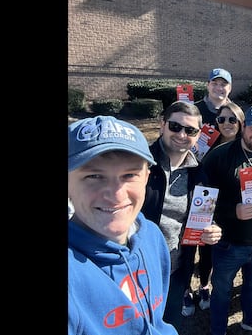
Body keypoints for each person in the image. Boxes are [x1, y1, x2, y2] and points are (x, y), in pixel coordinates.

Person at [68, 115, 182, 335]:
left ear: (147, 177)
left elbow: (156, 320)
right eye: (94, 176)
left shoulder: (152, 236)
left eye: (129, 175)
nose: (116, 194)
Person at [201, 105, 252, 335]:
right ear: (243, 127)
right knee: (222, 291)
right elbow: (201, 198)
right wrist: (232, 210)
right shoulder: (219, 156)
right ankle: (218, 329)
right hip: (228, 243)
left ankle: (250, 319)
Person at [140, 101, 222, 326]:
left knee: (167, 324)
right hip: (136, 271)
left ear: (197, 135)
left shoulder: (199, 174)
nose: (182, 134)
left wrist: (211, 228)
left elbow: (202, 215)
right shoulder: (138, 164)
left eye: (190, 130)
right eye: (175, 126)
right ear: (162, 125)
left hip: (176, 271)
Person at [189, 101, 245, 312]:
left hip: (226, 208)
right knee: (190, 247)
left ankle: (204, 285)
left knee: (209, 252)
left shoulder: (244, 147)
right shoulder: (204, 142)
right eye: (222, 119)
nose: (227, 123)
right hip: (200, 201)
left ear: (240, 122)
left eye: (232, 119)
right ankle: (186, 291)